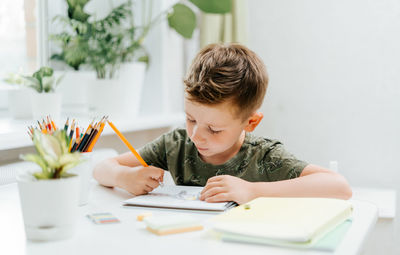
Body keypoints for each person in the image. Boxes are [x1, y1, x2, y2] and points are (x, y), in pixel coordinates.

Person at [93, 43, 352, 205]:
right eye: (191, 118)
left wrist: (252, 190)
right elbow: (101, 168)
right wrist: (124, 176)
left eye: (214, 129)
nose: (196, 135)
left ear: (250, 122)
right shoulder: (176, 145)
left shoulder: (264, 157)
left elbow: (339, 186)